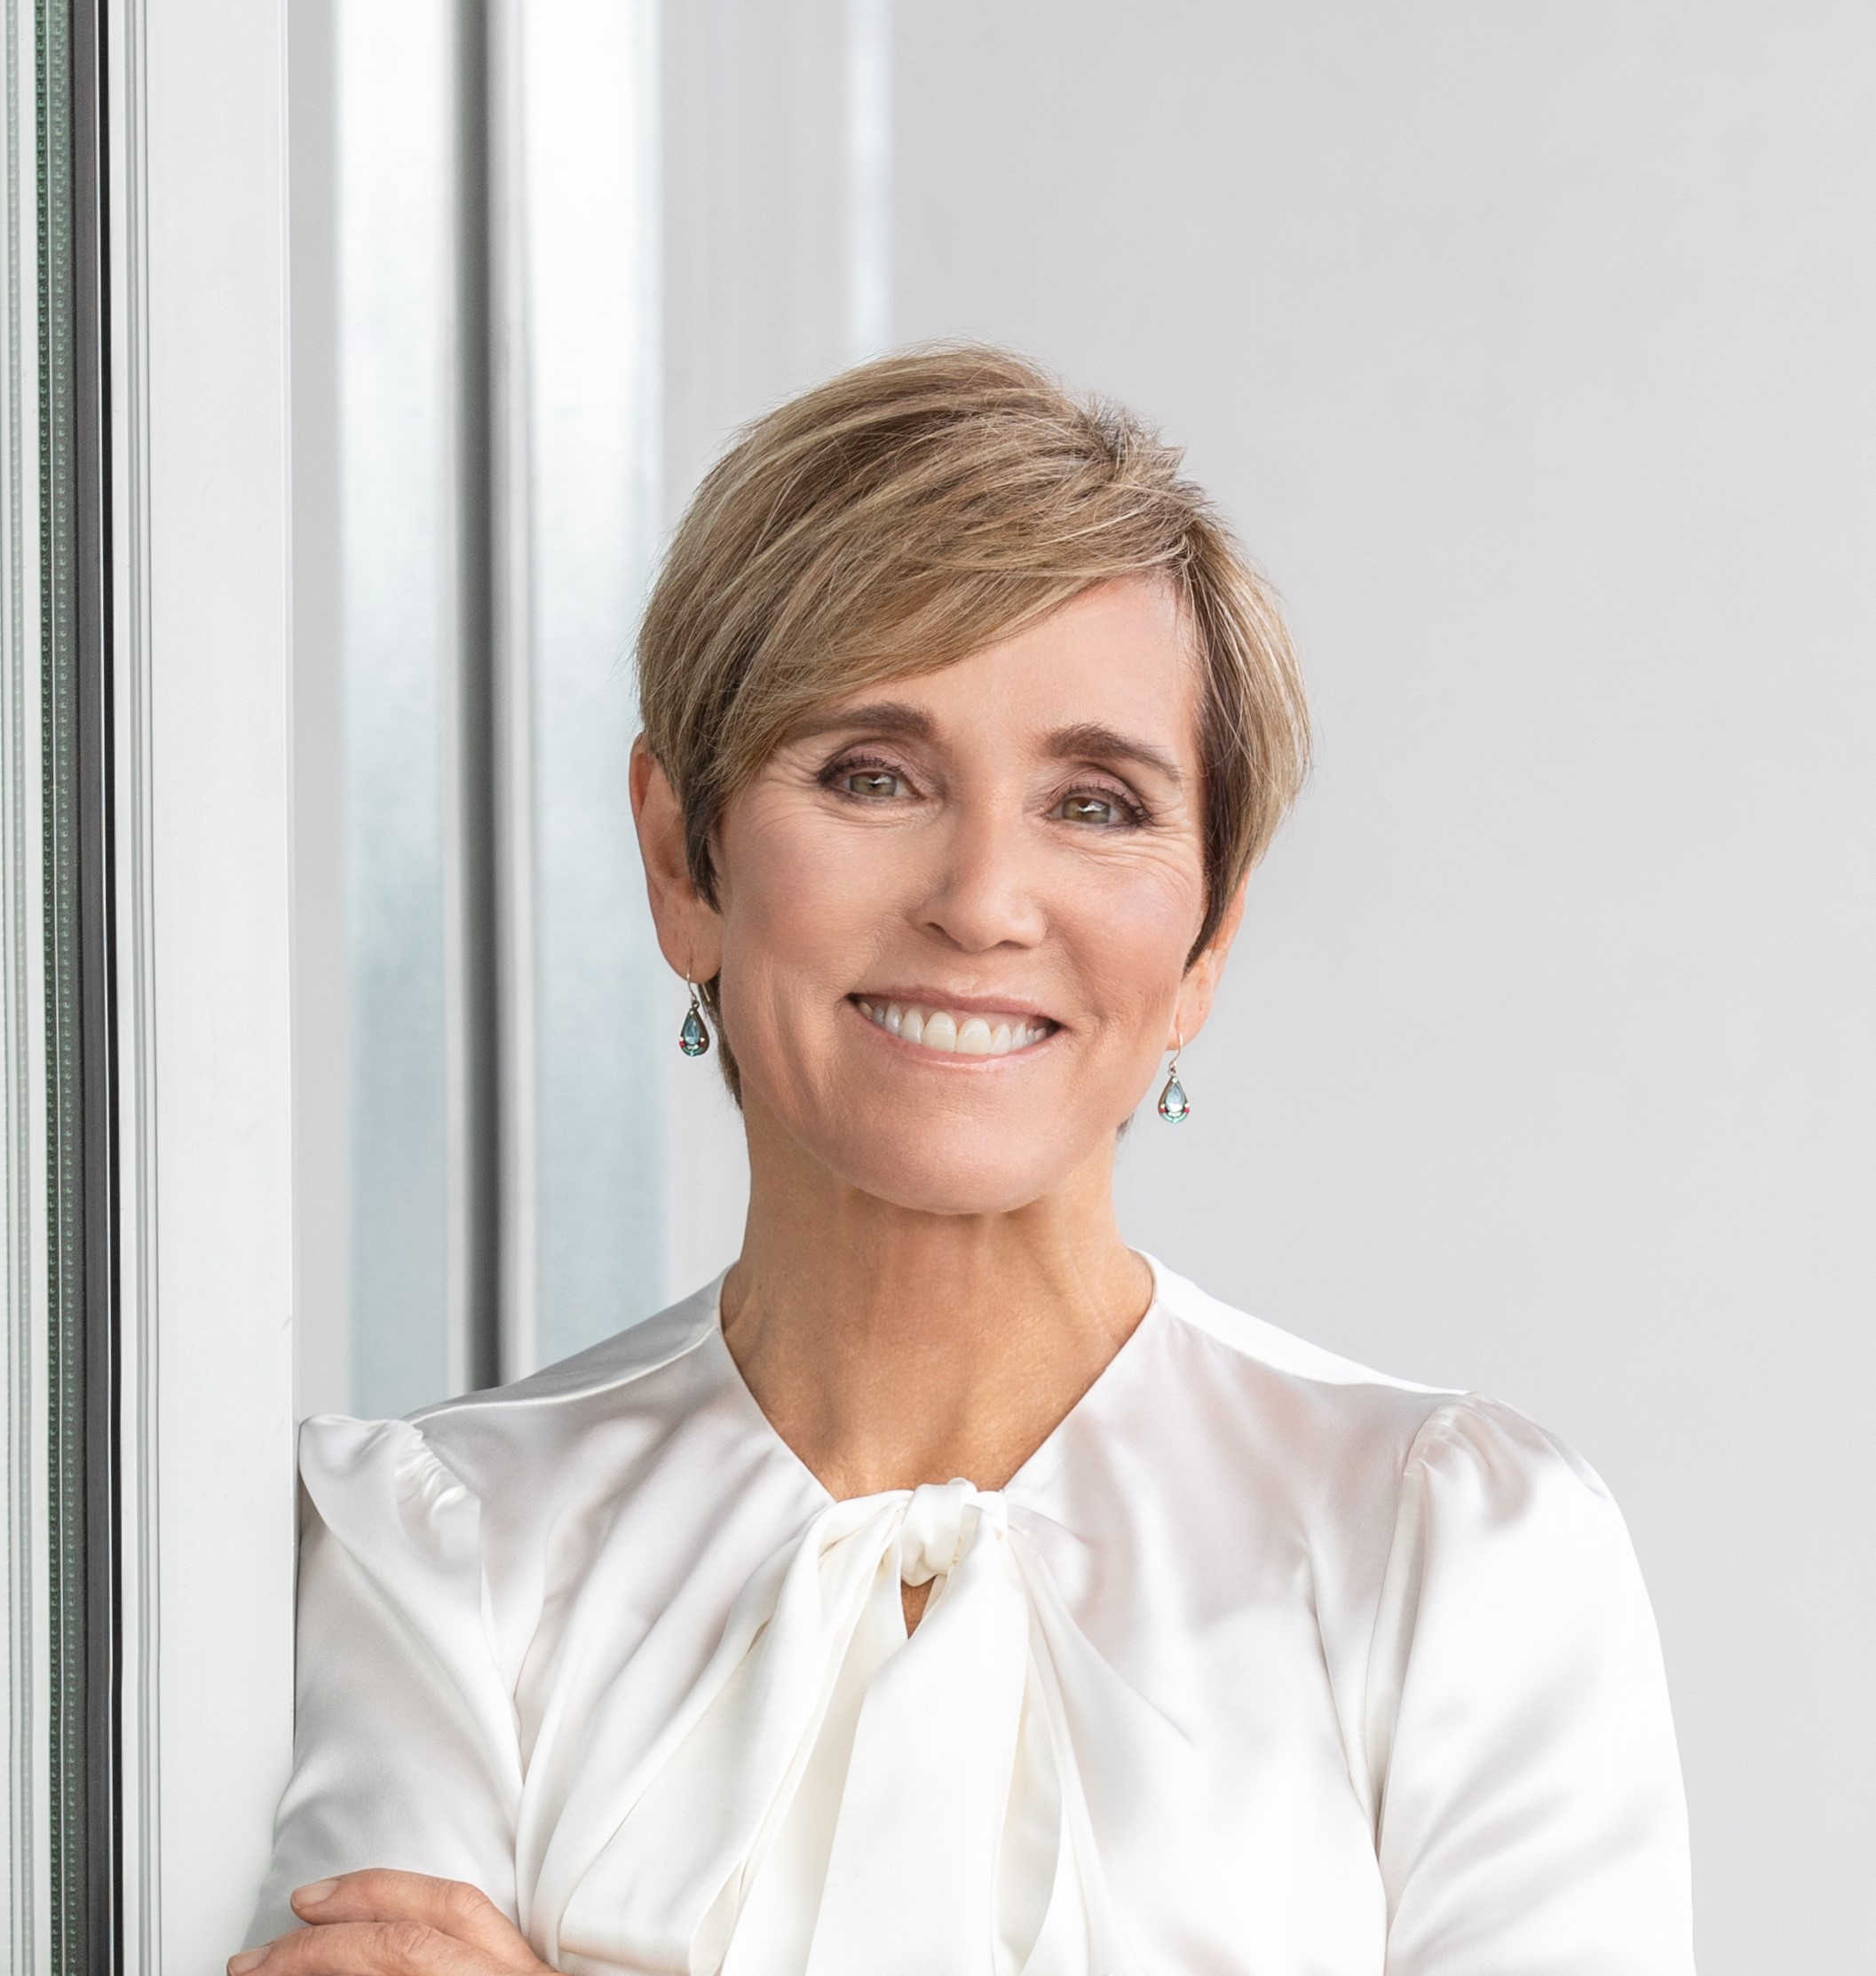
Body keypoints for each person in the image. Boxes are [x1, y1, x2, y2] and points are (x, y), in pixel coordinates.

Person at [237, 348, 1695, 1976]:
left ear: (1205, 935)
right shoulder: (436, 1544)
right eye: (873, 775)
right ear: (682, 859)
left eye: (1096, 802)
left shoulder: (1454, 1550)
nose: (985, 897)